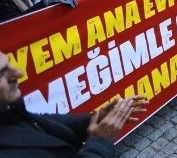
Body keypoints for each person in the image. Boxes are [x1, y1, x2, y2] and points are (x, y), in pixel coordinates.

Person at [0, 51, 147, 157]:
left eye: (9, 65)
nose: (18, 74)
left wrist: (95, 119)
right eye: (1, 73)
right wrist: (100, 143)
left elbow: (41, 122)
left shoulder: (8, 108)